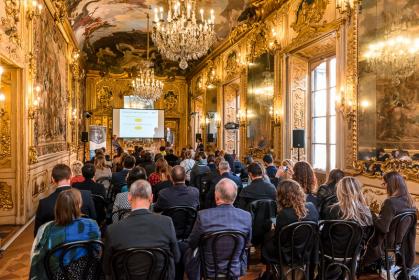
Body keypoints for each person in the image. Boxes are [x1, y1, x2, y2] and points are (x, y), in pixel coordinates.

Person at [103, 180, 180, 279]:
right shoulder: (167, 223)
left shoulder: (113, 230)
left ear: (129, 197)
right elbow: (176, 258)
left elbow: (106, 268)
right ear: (151, 198)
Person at [184, 178, 252, 280]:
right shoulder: (246, 216)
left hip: (208, 271)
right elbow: (247, 244)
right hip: (234, 271)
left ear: (216, 196)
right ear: (235, 197)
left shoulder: (203, 216)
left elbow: (192, 243)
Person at [30, 189, 101, 280]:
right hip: (88, 274)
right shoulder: (92, 225)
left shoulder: (45, 229)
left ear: (57, 206)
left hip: (58, 275)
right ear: (79, 205)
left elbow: (38, 256)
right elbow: (97, 250)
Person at [363, 172, 417, 273]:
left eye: (384, 184)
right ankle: (375, 264)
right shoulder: (410, 202)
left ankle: (363, 264)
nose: (384, 187)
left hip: (388, 242)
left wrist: (369, 212)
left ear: (391, 184)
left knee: (364, 232)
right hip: (401, 241)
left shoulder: (390, 202)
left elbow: (383, 227)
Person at [261, 179, 319, 270]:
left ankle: (269, 273)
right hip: (307, 251)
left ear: (282, 195)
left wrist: (273, 230)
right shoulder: (311, 206)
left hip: (288, 254)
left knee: (266, 238)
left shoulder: (284, 214)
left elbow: (279, 240)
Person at [34, 164, 96, 236]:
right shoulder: (86, 196)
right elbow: (94, 219)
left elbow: (38, 234)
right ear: (70, 176)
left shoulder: (44, 203)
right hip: (83, 241)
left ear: (53, 179)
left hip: (55, 245)